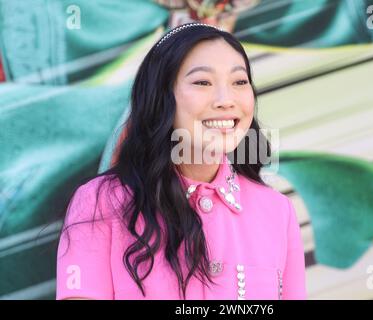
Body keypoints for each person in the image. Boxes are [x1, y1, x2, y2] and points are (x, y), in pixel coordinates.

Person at [56, 22, 306, 300]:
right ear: (161, 97)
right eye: (202, 82)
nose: (226, 100)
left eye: (239, 81)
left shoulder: (277, 211)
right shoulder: (99, 202)